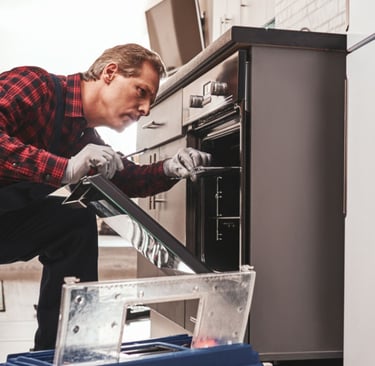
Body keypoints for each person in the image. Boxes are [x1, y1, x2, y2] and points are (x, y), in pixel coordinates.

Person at [0, 43, 211, 350]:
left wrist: (170, 167)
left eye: (150, 101)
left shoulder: (81, 137)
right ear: (110, 72)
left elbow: (129, 179)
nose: (146, 110)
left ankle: (62, 353)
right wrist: (65, 168)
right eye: (141, 91)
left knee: (74, 218)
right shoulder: (37, 86)